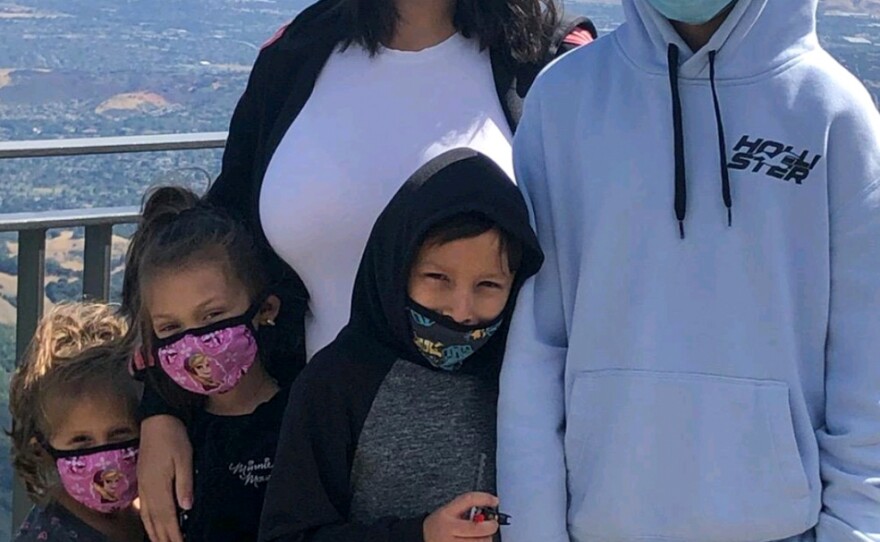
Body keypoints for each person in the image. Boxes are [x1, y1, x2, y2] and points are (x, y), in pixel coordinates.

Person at [130, 1, 596, 539]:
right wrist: (162, 405)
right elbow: (218, 244)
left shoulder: (548, 62)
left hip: (500, 471)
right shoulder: (296, 55)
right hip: (305, 465)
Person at [498, 0, 880, 541]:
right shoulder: (564, 99)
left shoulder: (835, 112)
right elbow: (536, 345)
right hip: (598, 524)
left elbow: (866, 373)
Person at [259, 148, 543, 542]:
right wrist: (419, 535)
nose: (461, 311)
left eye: (488, 286)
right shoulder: (335, 383)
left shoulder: (528, 376)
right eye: (437, 278)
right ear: (395, 268)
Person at [124, 186, 290, 541]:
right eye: (171, 327)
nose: (194, 343)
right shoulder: (165, 435)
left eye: (213, 315)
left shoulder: (303, 418)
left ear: (266, 310)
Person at [9, 303, 144, 542]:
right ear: (43, 450)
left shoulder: (154, 511)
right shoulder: (49, 534)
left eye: (120, 435)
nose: (105, 459)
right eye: (81, 442)